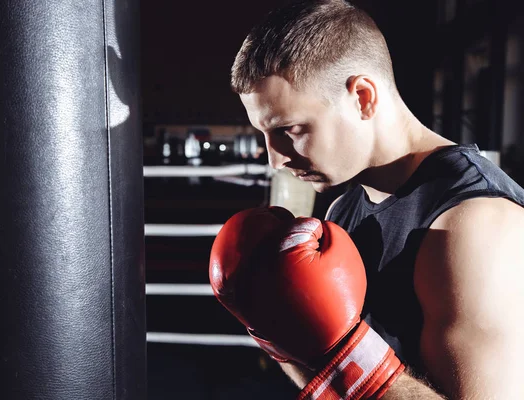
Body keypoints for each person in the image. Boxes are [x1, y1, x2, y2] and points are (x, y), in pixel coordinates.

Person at [210, 0, 524, 398]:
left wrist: (343, 349)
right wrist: (278, 334)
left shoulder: (474, 224)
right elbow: (331, 384)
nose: (275, 159)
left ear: (362, 97)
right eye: (264, 134)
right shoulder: (345, 208)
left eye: (290, 129)